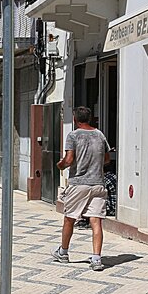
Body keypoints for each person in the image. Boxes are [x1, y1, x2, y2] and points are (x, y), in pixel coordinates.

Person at [54, 106, 111, 271]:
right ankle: (96, 258)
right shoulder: (100, 135)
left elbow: (69, 159)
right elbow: (106, 158)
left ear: (75, 119)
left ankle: (63, 252)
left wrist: (60, 165)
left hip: (79, 184)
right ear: (90, 118)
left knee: (69, 218)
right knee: (96, 220)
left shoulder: (73, 135)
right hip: (98, 184)